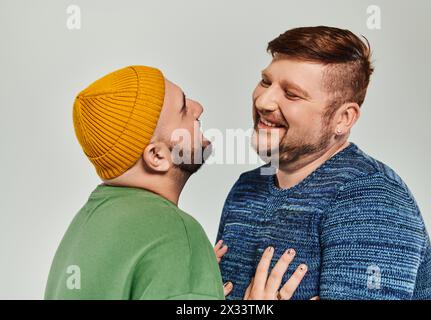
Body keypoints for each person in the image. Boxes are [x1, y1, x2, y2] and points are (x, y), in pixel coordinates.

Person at [45, 65, 308, 300]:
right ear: (157, 156)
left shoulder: (88, 223)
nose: (198, 108)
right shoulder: (175, 234)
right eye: (183, 108)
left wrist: (189, 278)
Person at [216, 26, 431, 300]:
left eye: (292, 94)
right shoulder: (247, 188)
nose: (264, 100)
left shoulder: (371, 200)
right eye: (265, 81)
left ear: (343, 118)